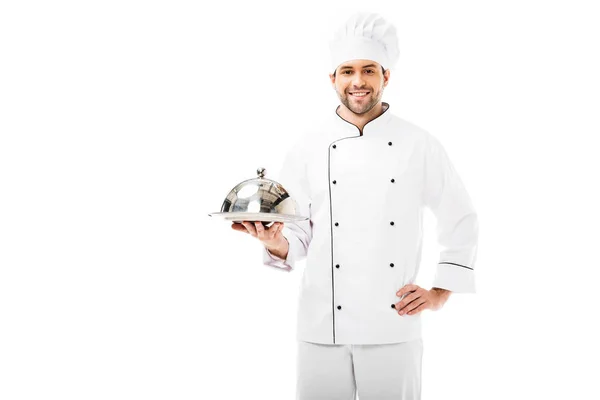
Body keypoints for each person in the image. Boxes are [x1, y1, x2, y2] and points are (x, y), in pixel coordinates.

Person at [231, 11, 479, 400]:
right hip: (320, 326)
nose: (358, 81)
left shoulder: (419, 144)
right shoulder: (308, 146)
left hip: (394, 326)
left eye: (368, 70)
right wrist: (273, 240)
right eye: (347, 71)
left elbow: (460, 217)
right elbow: (294, 234)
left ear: (386, 77)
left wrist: (439, 293)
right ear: (333, 79)